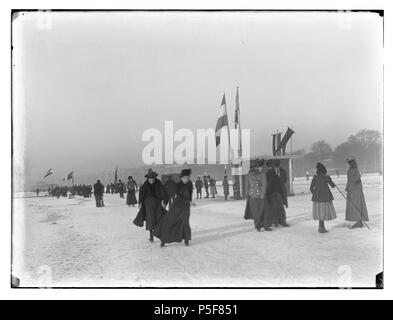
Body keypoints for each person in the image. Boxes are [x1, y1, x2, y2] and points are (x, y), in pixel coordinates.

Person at [155, 169, 195, 247]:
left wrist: (189, 202)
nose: (186, 179)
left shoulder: (190, 184)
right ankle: (164, 239)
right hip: (177, 207)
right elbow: (173, 195)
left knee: (185, 223)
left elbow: (189, 195)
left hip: (185, 208)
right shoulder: (177, 185)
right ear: (181, 178)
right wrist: (164, 201)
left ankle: (186, 239)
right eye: (184, 178)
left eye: (187, 178)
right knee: (170, 222)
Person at [133, 169, 169, 242]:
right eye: (150, 179)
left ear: (155, 178)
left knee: (160, 219)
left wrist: (164, 202)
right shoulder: (145, 185)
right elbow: (141, 195)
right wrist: (140, 203)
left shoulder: (159, 184)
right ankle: (151, 236)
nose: (151, 180)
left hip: (158, 204)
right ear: (148, 178)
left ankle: (161, 236)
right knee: (150, 220)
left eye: (153, 179)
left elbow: (164, 193)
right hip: (148, 205)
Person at [244, 159, 272, 232]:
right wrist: (247, 194)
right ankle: (258, 226)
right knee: (256, 213)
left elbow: (264, 184)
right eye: (253, 167)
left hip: (261, 196)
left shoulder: (262, 174)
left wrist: (262, 194)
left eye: (255, 167)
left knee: (265, 211)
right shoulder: (248, 175)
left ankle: (266, 225)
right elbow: (247, 185)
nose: (254, 168)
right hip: (253, 196)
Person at [310, 163, 337, 233]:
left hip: (317, 198)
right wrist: (333, 183)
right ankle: (322, 227)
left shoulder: (315, 177)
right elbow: (332, 185)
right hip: (325, 198)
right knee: (323, 212)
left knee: (319, 213)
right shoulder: (326, 177)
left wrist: (315, 193)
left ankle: (321, 227)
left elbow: (311, 188)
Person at [345, 157, 369, 229]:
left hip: (355, 190)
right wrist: (347, 187)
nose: (348, 165)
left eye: (349, 163)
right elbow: (350, 180)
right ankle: (358, 221)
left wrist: (350, 185)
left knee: (356, 205)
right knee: (354, 204)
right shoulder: (352, 170)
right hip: (352, 190)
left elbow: (356, 179)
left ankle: (359, 221)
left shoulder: (354, 170)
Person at [266, 159, 289, 227]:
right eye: (276, 165)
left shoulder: (283, 171)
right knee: (274, 207)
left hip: (280, 192)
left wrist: (279, 176)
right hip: (271, 192)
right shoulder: (269, 172)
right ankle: (275, 222)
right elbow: (266, 181)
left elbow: (285, 180)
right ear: (273, 165)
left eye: (277, 165)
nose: (277, 166)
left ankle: (282, 222)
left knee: (281, 207)